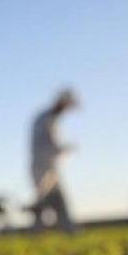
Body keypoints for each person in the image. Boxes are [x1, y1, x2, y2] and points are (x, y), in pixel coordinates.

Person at [28, 89, 78, 232]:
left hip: (50, 167)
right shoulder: (45, 119)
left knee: (58, 200)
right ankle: (38, 234)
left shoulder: (51, 119)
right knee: (43, 202)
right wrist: (64, 149)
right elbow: (46, 145)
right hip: (42, 168)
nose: (67, 110)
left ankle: (69, 231)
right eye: (67, 106)